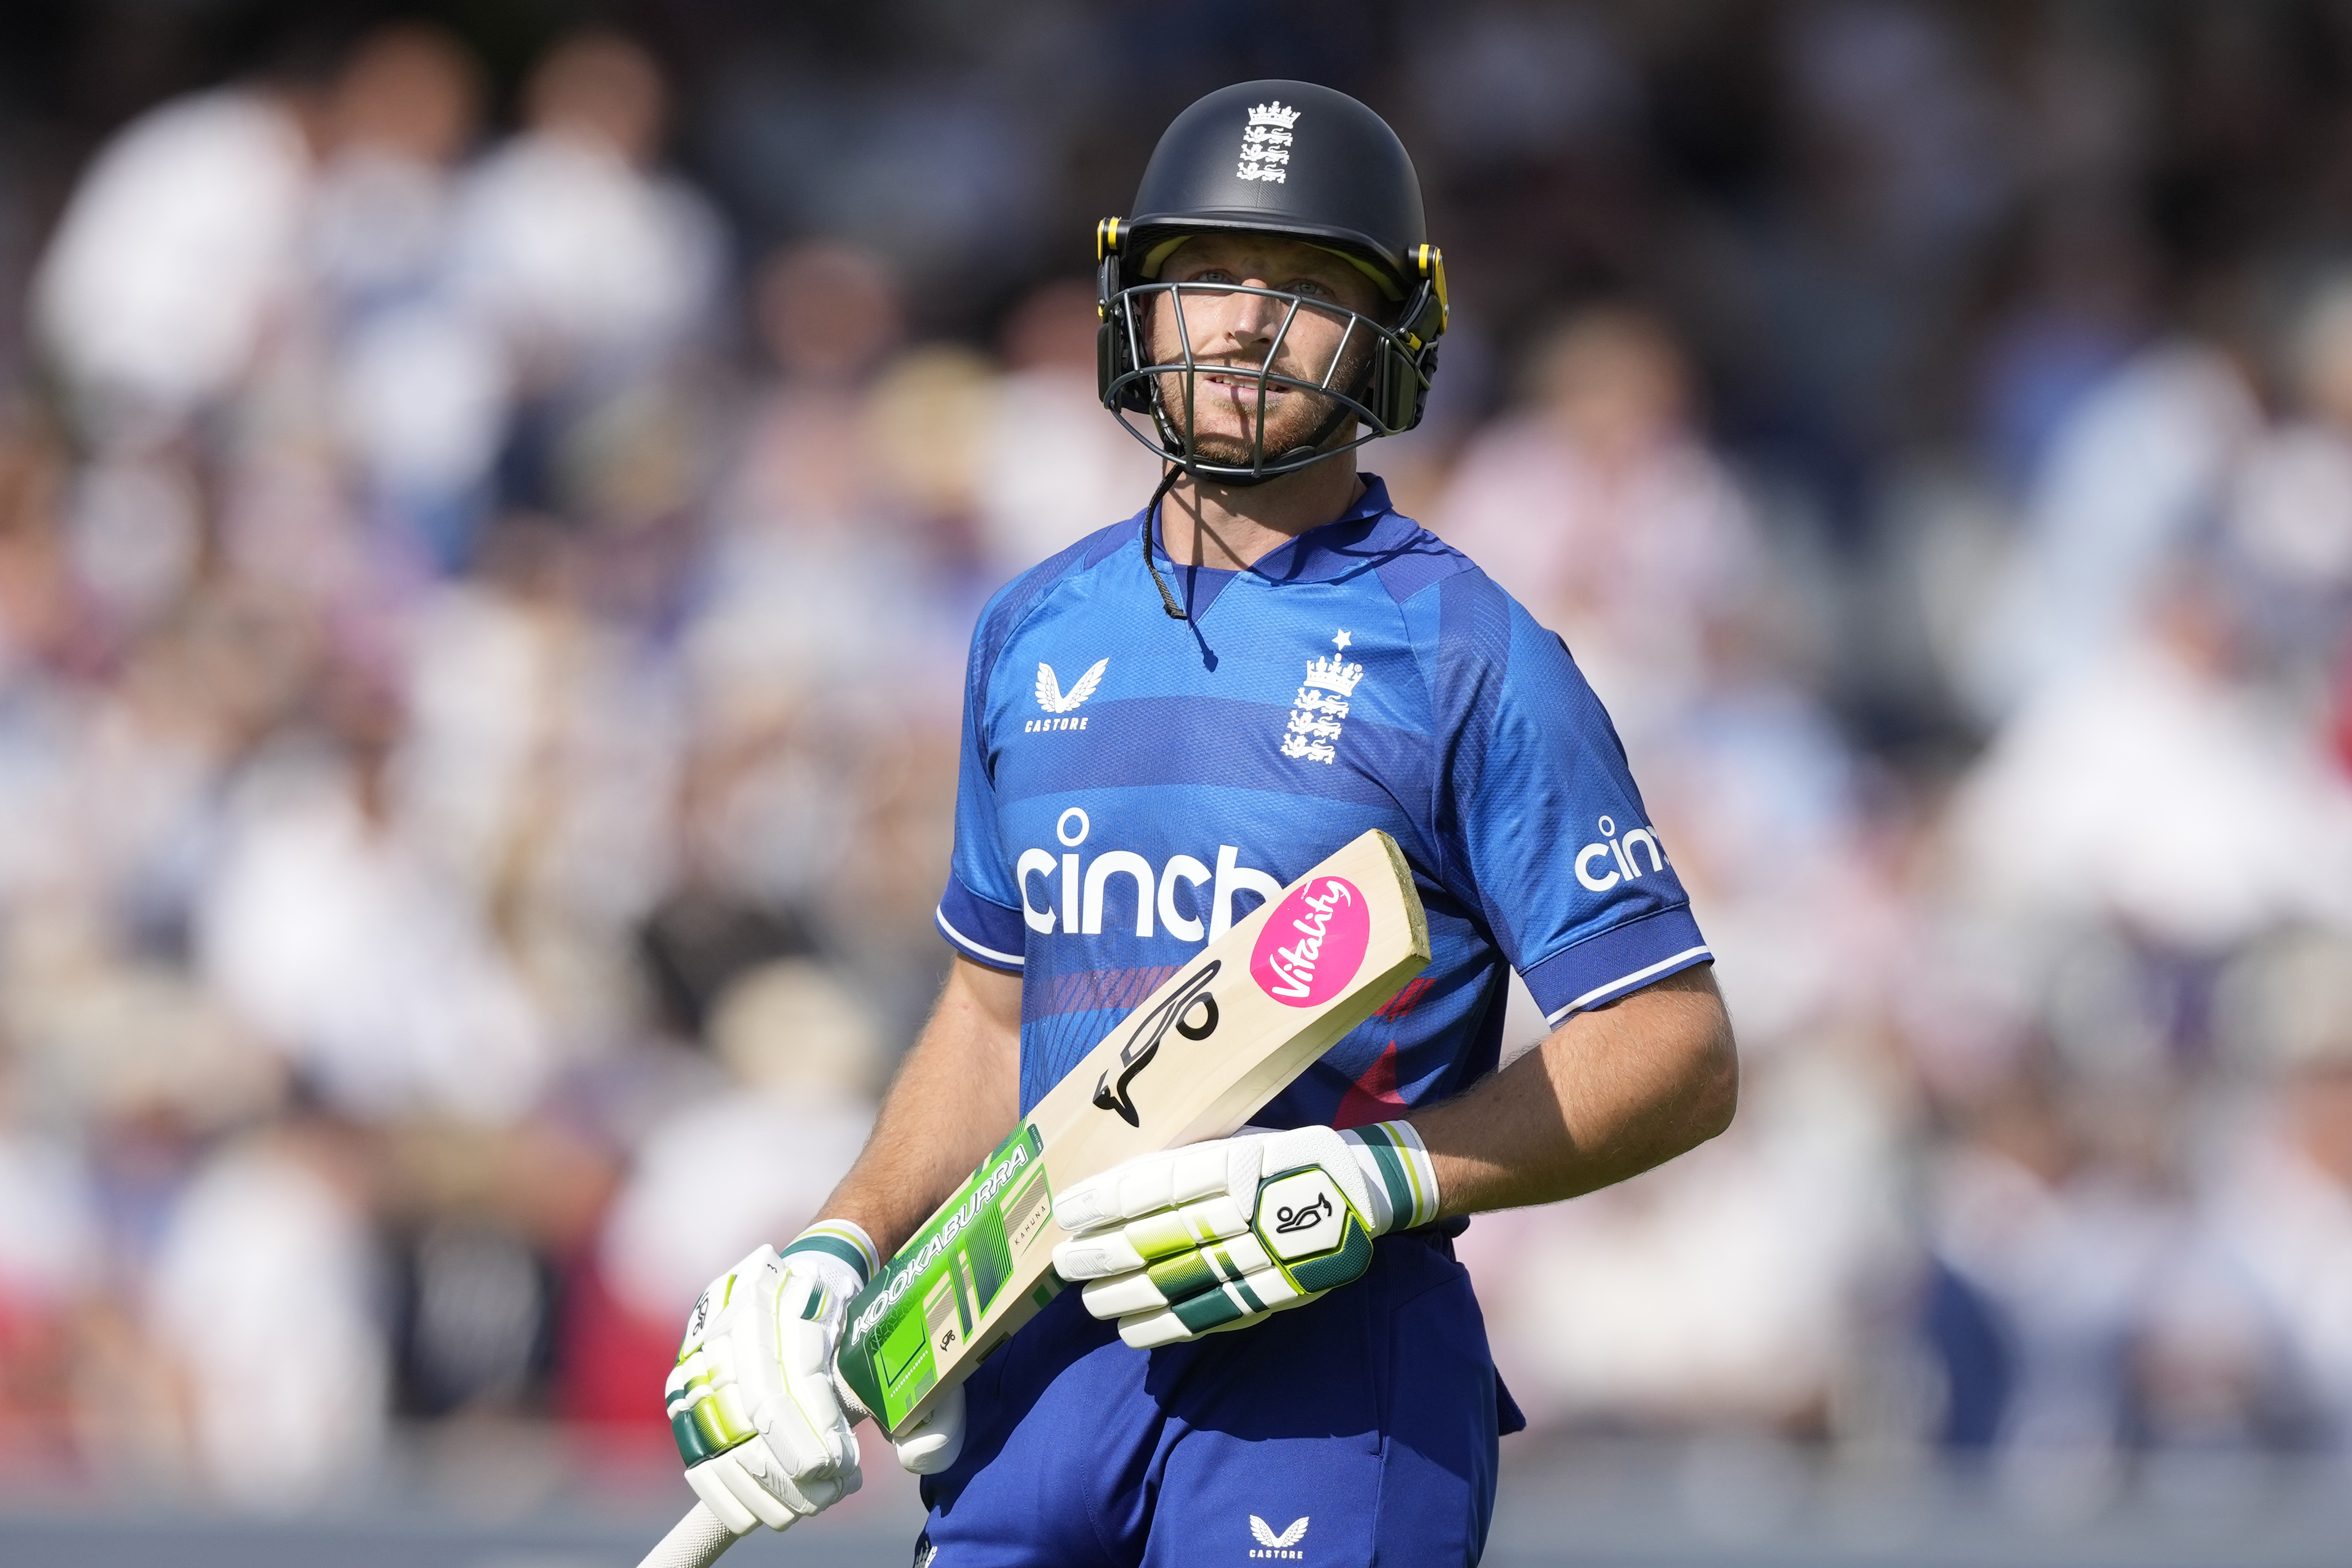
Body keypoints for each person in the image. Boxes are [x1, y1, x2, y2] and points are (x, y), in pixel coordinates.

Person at [666, 81, 1738, 1564]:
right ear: (1134, 303)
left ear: (1395, 332)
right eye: (1207, 279)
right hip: (1036, 1359)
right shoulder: (1032, 627)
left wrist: (1384, 1173)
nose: (1243, 323)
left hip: (1326, 1366)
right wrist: (842, 1240)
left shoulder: (1470, 652)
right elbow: (992, 1018)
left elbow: (1673, 1047)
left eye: (1306, 289)